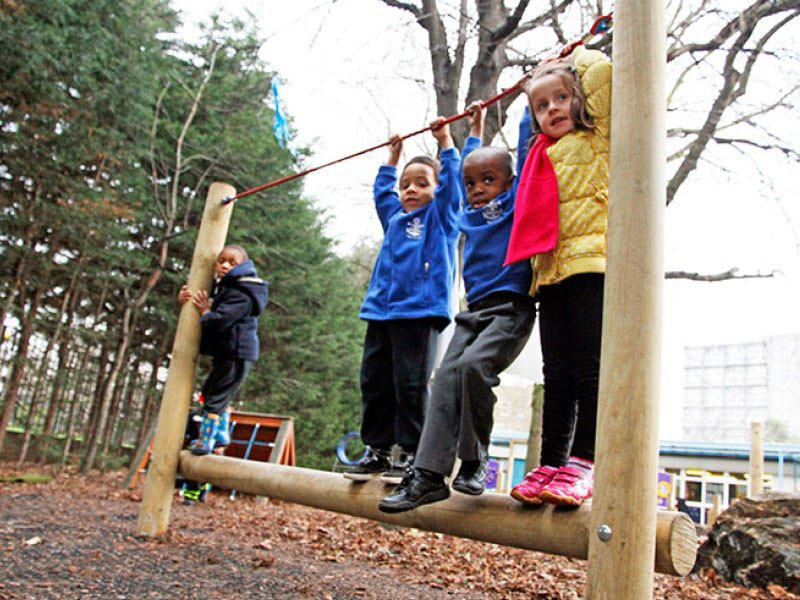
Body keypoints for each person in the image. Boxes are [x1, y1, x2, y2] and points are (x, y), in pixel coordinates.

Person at [378, 102, 537, 512]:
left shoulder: (516, 203)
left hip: (510, 308)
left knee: (472, 368)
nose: (477, 188)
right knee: (446, 377)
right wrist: (474, 129)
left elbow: (524, 152)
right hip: (473, 312)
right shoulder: (466, 212)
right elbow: (464, 168)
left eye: (489, 180)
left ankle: (475, 459)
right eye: (471, 183)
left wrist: (528, 105)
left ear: (509, 182)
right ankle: (429, 475)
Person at [506, 45, 611, 507]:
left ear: (580, 98)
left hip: (591, 267)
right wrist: (539, 82)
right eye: (541, 105)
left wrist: (571, 55)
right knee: (556, 375)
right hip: (550, 272)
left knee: (589, 369)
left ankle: (584, 462)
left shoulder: (598, 137)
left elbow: (604, 74)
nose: (552, 109)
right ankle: (550, 462)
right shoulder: (539, 154)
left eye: (562, 98)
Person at [343, 119, 462, 483]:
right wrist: (392, 159)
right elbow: (382, 193)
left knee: (410, 385)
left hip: (419, 313)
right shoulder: (395, 219)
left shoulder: (441, 220)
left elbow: (453, 188)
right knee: (374, 382)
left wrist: (445, 141)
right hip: (381, 313)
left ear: (437, 188)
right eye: (406, 184)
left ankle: (413, 454)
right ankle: (377, 450)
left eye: (422, 183)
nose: (411, 189)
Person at [178, 244, 268, 455]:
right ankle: (220, 434)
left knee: (216, 398)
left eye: (232, 263)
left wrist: (206, 312)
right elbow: (207, 298)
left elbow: (221, 320)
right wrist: (185, 299)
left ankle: (206, 439)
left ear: (243, 267)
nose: (225, 266)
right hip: (227, 352)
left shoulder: (242, 293)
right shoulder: (226, 287)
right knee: (209, 393)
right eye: (221, 261)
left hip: (237, 353)